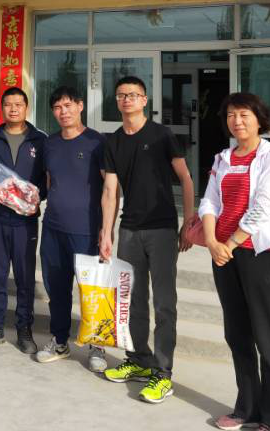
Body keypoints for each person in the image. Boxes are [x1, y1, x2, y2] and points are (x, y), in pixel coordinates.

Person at [199, 92, 270, 431]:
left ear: (259, 119)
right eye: (231, 115)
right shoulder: (223, 157)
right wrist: (212, 242)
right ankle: (247, 409)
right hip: (224, 256)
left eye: (244, 115)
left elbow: (265, 205)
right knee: (237, 335)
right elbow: (209, 202)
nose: (237, 121)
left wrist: (230, 242)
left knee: (267, 338)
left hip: (259, 256)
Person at [100, 75, 195, 404]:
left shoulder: (161, 135)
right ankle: (139, 359)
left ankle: (163, 373)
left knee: (164, 303)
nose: (126, 99)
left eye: (133, 95)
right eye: (121, 95)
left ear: (144, 100)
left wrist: (188, 222)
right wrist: (106, 232)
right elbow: (110, 191)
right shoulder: (113, 141)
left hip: (162, 230)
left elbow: (185, 178)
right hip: (129, 230)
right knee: (133, 301)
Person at [35, 86, 107, 371]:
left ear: (80, 106)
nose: (63, 112)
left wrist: (106, 229)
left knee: (92, 290)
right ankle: (60, 341)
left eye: (68, 105)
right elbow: (50, 181)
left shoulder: (97, 142)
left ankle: (97, 344)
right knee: (57, 288)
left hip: (86, 230)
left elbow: (110, 189)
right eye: (57, 107)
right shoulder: (50, 144)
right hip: (53, 228)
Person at [0, 86, 46, 354]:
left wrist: (34, 196)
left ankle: (24, 329)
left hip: (25, 221)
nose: (13, 109)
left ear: (27, 108)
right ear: (2, 107)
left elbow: (47, 179)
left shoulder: (40, 140)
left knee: (25, 277)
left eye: (18, 104)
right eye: (8, 104)